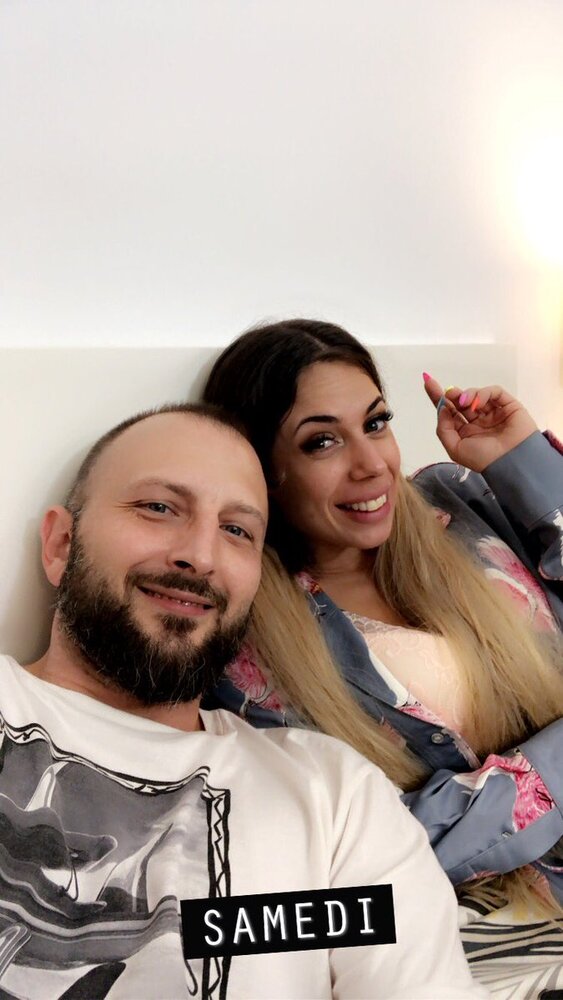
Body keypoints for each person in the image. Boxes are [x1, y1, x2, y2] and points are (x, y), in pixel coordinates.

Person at [0, 401, 484, 1000]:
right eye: (159, 507)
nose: (200, 557)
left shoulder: (335, 798)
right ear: (60, 544)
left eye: (237, 531)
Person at [202, 319, 563, 986]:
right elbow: (371, 858)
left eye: (375, 423)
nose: (371, 463)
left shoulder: (456, 498)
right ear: (263, 471)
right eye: (322, 441)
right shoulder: (250, 661)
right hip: (493, 946)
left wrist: (523, 464)